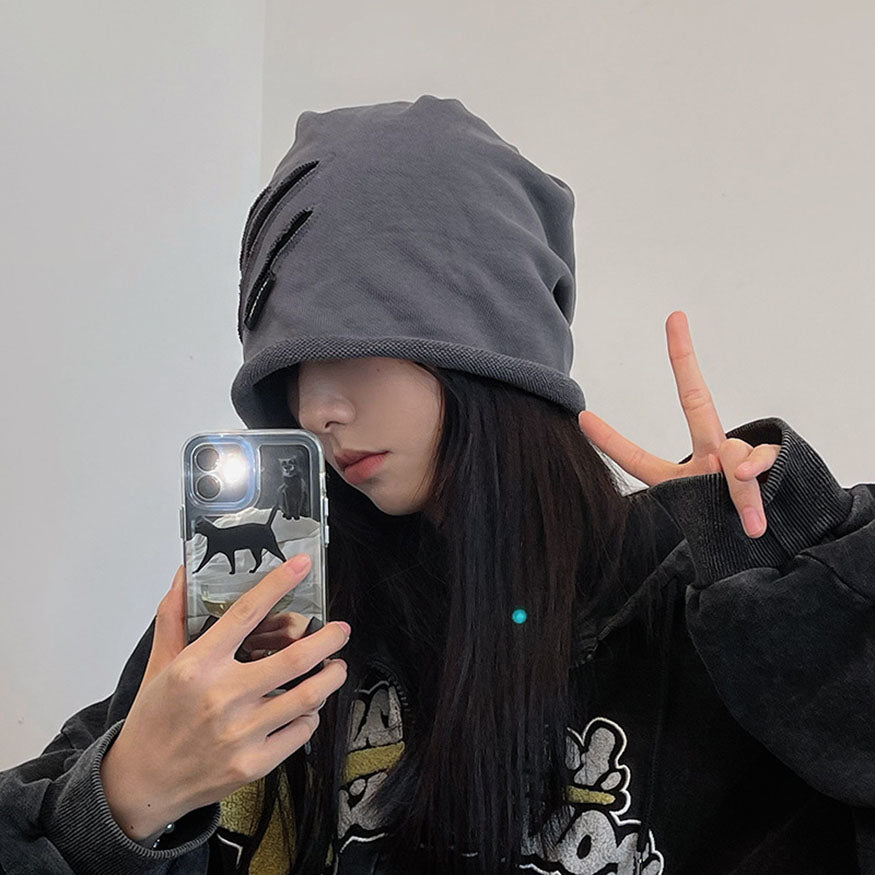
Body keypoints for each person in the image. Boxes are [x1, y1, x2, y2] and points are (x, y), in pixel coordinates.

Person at [0, 94, 872, 875]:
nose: (317, 409)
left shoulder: (692, 599)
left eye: (350, 346)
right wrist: (127, 796)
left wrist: (791, 575)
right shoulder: (273, 629)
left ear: (487, 353)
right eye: (290, 372)